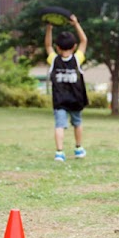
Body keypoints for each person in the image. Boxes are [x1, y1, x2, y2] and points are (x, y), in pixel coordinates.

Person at [45, 15, 89, 162]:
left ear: (57, 47)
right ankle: (78, 148)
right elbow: (84, 41)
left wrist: (49, 29)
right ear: (74, 46)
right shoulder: (77, 59)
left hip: (59, 100)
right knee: (77, 123)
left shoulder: (53, 60)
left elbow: (47, 46)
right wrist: (76, 24)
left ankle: (59, 152)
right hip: (76, 99)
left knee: (59, 126)